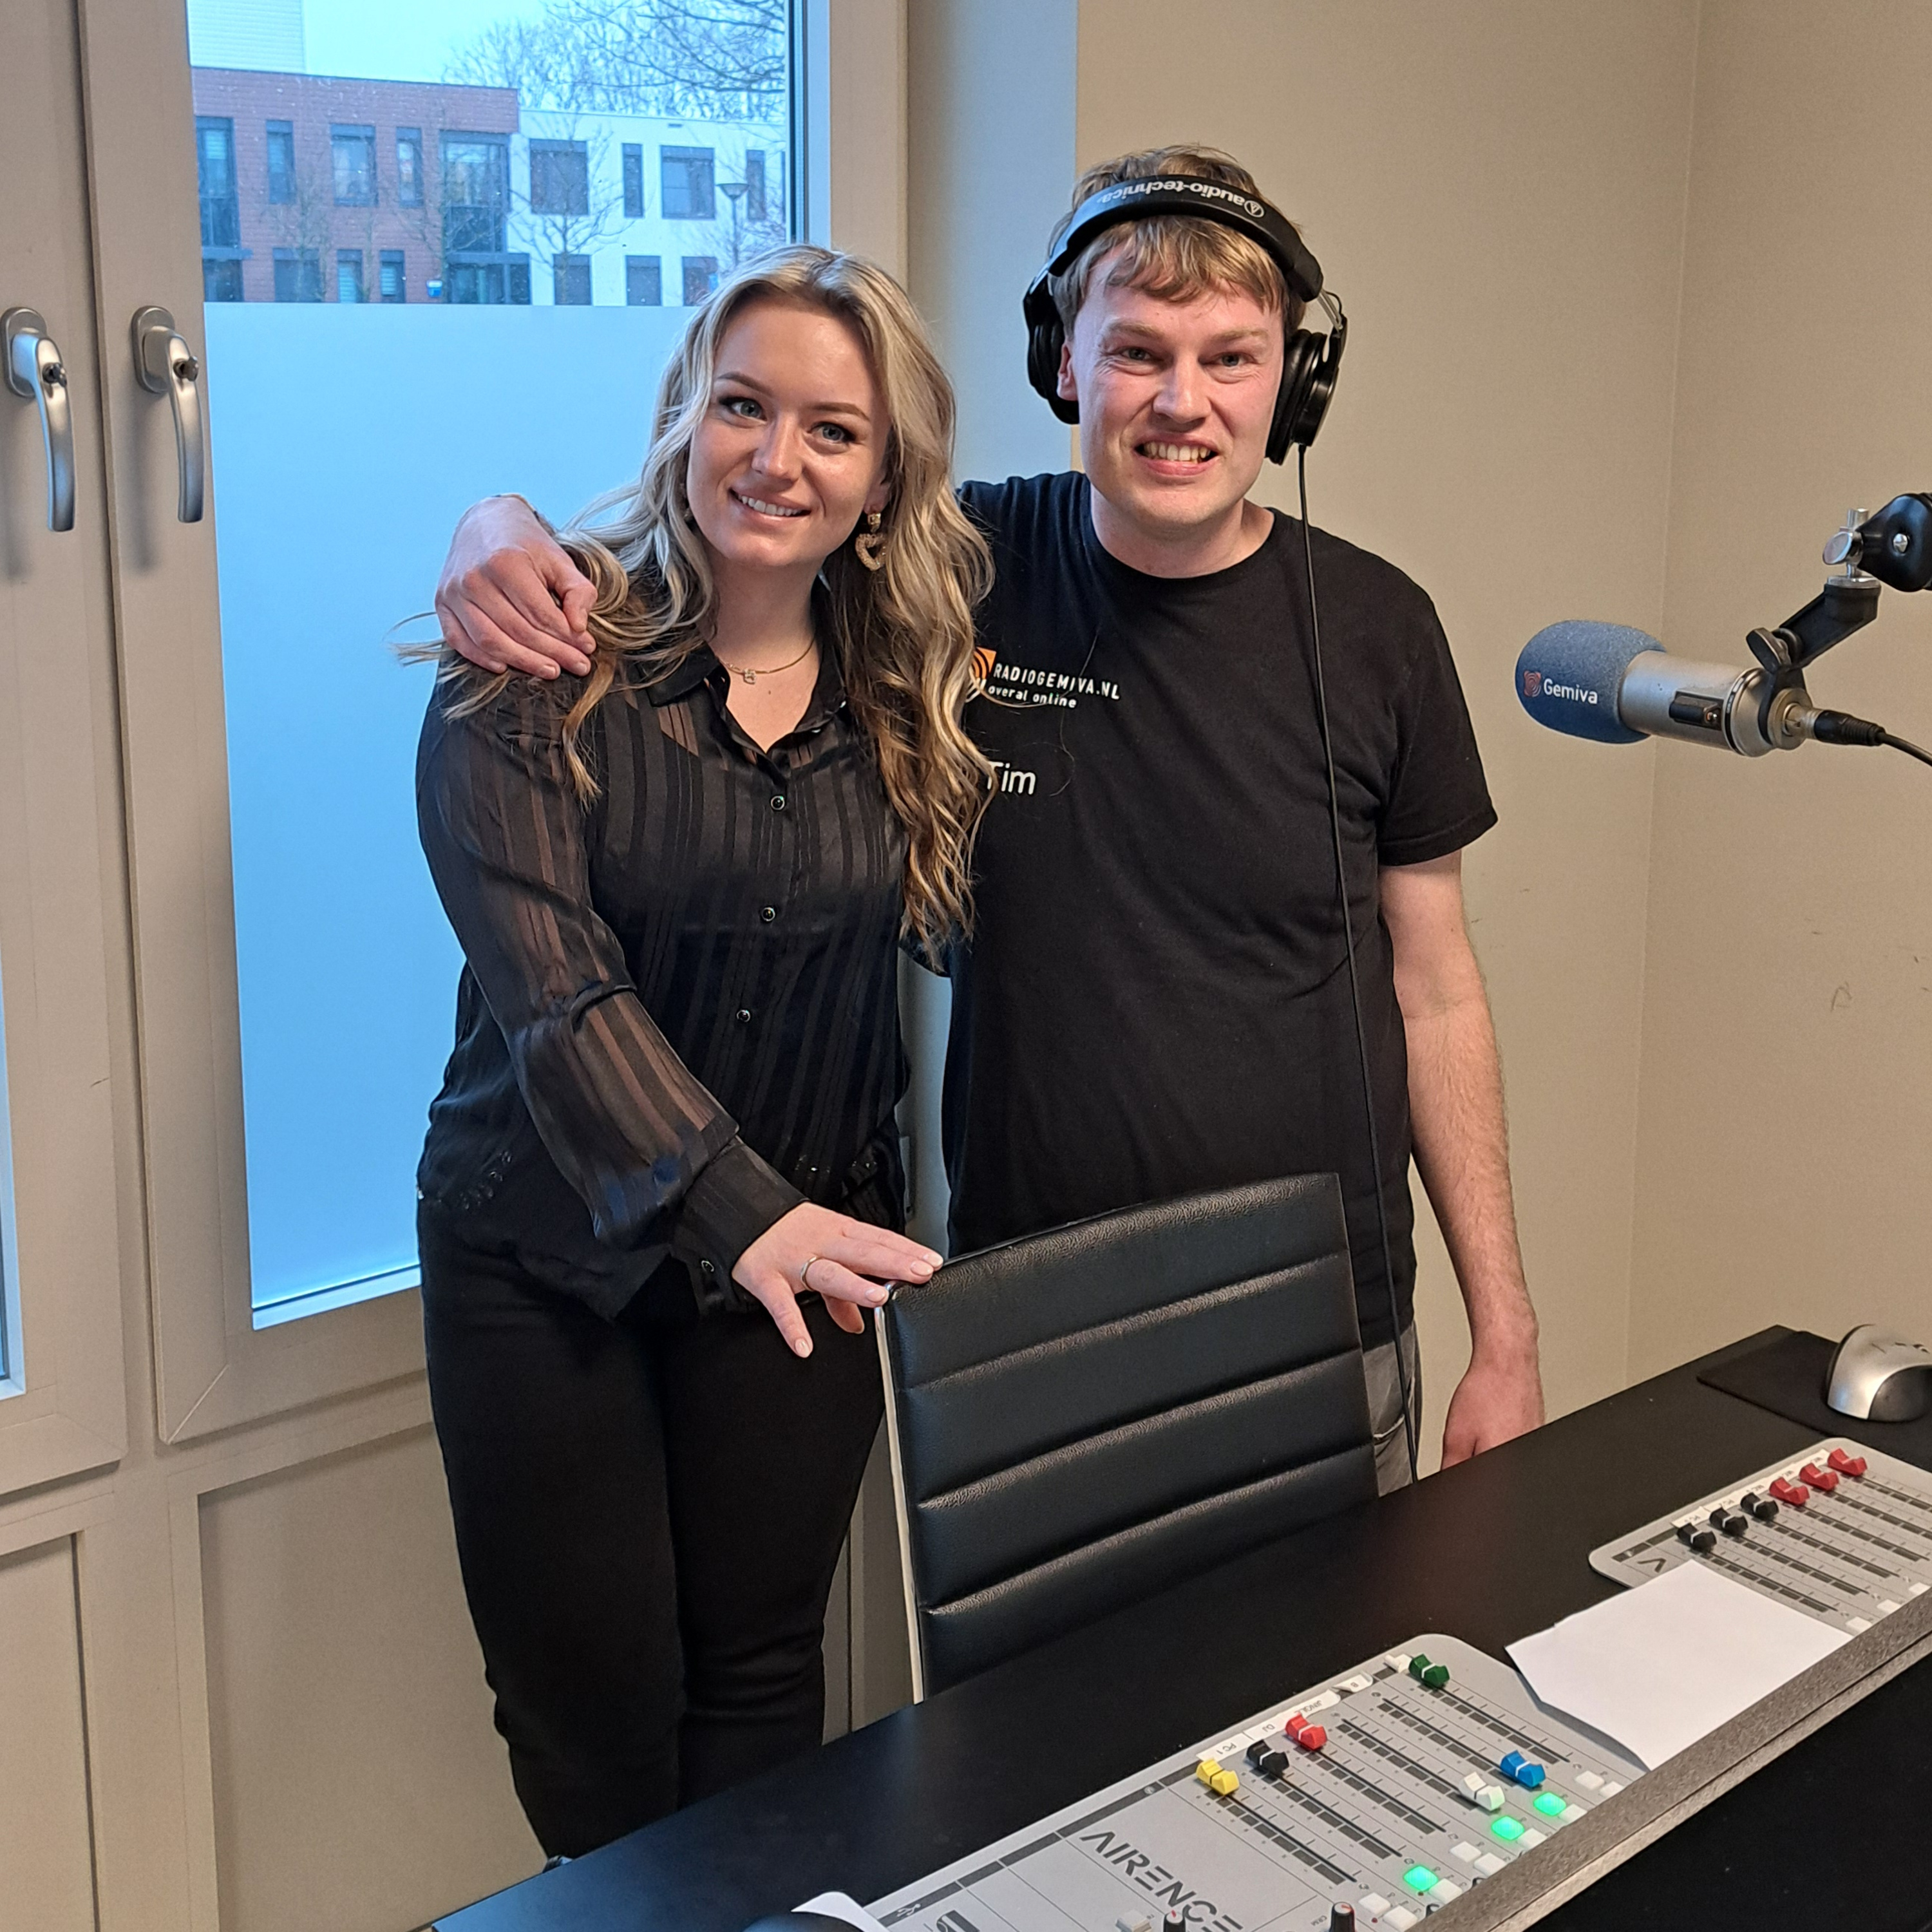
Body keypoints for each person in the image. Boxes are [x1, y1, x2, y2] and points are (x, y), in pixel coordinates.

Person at [432, 147, 1546, 1495]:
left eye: (1232, 359)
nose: (1182, 402)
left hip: (1312, 1321)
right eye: (1136, 352)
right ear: (1062, 362)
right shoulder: (954, 580)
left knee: (1333, 1644)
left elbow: (1438, 992)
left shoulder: (1380, 633)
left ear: (1294, 383)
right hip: (1030, 1317)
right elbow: (752, 525)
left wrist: (1505, 1332)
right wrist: (496, 526)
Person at [413, 243, 991, 1858]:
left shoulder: (918, 691)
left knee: (759, 1699)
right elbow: (555, 996)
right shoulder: (535, 669)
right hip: (545, 1259)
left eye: (832, 428)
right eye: (743, 406)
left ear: (885, 480)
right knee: (590, 1728)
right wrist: (491, 516)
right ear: (685, 415)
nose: (776, 458)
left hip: (805, 1263)